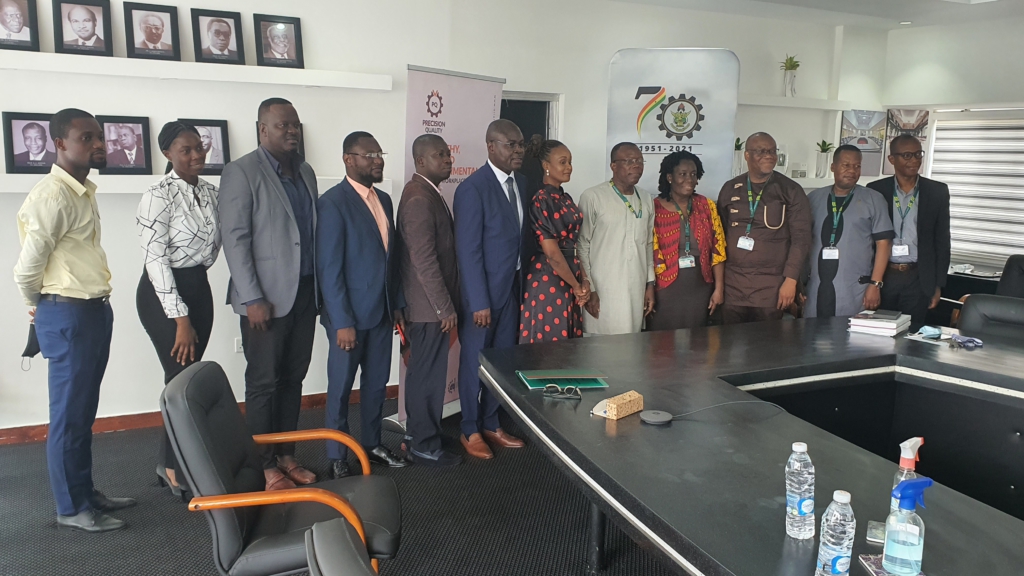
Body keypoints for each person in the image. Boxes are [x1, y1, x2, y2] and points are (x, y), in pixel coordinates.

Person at [13, 108, 135, 532]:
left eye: (99, 137)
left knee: (83, 412)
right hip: (68, 313)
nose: (98, 144)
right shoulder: (52, 196)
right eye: (87, 138)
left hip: (92, 311)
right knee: (68, 416)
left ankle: (85, 493)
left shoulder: (81, 190)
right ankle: (71, 508)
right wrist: (41, 305)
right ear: (60, 143)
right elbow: (26, 270)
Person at [220, 98, 318, 491]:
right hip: (264, 300)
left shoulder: (306, 171)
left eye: (295, 125)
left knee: (293, 379)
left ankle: (286, 455)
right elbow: (235, 239)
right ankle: (263, 466)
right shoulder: (241, 171)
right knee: (264, 383)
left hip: (305, 294)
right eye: (282, 125)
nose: (291, 131)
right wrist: (251, 298)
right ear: (263, 129)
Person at [316, 132, 408, 478]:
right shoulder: (332, 203)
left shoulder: (384, 200)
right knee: (341, 388)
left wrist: (397, 304)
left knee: (376, 385)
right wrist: (342, 321)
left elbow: (390, 260)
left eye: (379, 153)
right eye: (369, 154)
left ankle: (371, 444)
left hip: (381, 313)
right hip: (349, 319)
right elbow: (329, 269)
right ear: (348, 159)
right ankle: (337, 455)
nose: (377, 160)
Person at [136, 122, 220, 499]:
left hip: (198, 286)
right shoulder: (157, 195)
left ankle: (167, 460)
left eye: (199, 147)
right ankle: (175, 468)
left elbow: (213, 248)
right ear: (167, 154)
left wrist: (197, 277)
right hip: (163, 295)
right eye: (186, 150)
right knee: (180, 381)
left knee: (186, 378)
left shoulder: (212, 192)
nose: (197, 154)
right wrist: (181, 318)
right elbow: (155, 261)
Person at [453, 119, 527, 460]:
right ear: (491, 146)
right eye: (511, 144)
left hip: (511, 289)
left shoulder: (521, 183)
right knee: (474, 362)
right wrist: (478, 301)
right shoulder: (473, 188)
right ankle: (469, 429)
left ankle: (491, 422)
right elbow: (468, 251)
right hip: (482, 297)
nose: (518, 150)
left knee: (501, 360)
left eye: (520, 144)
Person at [396, 134, 461, 467]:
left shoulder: (427, 192)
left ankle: (420, 435)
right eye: (440, 155)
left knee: (425, 373)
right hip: (427, 309)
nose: (448, 159)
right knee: (427, 376)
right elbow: (423, 261)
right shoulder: (420, 198)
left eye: (448, 154)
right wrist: (443, 307)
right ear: (421, 161)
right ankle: (424, 445)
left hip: (427, 307)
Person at [717, 132, 811, 324]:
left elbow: (801, 239)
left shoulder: (790, 190)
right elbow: (721, 234)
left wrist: (791, 281)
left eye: (772, 151)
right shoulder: (730, 188)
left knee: (767, 340)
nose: (769, 156)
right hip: (733, 285)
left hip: (772, 286)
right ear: (747, 155)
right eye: (761, 151)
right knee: (729, 340)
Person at [868, 134, 951, 326]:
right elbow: (867, 239)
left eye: (918, 154)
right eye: (907, 155)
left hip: (918, 278)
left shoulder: (936, 191)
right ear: (892, 159)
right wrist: (871, 282)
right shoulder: (875, 190)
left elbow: (942, 240)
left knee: (913, 333)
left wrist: (937, 285)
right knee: (880, 332)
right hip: (884, 275)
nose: (914, 160)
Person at [804, 145, 894, 318]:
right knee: (811, 331)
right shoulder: (814, 198)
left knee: (849, 332)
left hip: (855, 289)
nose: (852, 171)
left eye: (857, 166)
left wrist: (875, 284)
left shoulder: (873, 199)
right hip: (815, 287)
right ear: (833, 167)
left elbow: (884, 243)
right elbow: (803, 241)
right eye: (846, 165)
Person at [577, 142, 656, 335]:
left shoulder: (646, 198)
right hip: (602, 290)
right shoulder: (593, 196)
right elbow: (582, 245)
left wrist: (649, 284)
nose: (636, 166)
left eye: (640, 161)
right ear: (613, 166)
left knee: (631, 345)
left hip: (636, 288)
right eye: (629, 161)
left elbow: (648, 244)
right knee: (600, 347)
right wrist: (590, 288)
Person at [648, 150, 726, 331]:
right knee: (662, 341)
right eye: (682, 174)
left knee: (697, 340)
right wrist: (649, 287)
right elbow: (648, 253)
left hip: (700, 285)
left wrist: (719, 288)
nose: (689, 179)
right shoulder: (654, 208)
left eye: (693, 174)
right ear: (669, 177)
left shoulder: (707, 206)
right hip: (665, 288)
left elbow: (718, 249)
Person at [520, 139, 589, 342]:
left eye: (570, 162)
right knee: (550, 347)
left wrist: (584, 281)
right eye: (563, 162)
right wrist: (576, 285)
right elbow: (551, 253)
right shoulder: (541, 199)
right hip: (549, 278)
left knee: (567, 348)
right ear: (546, 166)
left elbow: (575, 244)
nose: (569, 167)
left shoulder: (565, 198)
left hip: (570, 276)